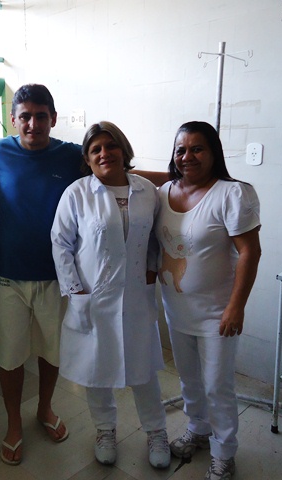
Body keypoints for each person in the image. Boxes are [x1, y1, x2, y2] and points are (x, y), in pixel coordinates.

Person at [51, 121, 171, 469]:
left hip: (136, 296)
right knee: (97, 368)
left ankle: (156, 431)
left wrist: (151, 271)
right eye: (96, 149)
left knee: (144, 370)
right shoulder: (77, 193)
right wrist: (75, 289)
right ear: (88, 159)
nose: (104, 153)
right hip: (94, 296)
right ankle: (105, 430)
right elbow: (60, 243)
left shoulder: (148, 191)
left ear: (123, 149)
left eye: (111, 145)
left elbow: (156, 238)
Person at [0, 84, 81, 465]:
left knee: (52, 351)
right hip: (10, 275)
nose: (33, 124)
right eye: (25, 117)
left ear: (53, 118)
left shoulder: (72, 155)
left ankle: (45, 409)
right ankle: (14, 423)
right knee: (9, 355)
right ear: (13, 119)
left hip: (57, 276)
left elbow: (113, 165)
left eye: (40, 116)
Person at [155, 121, 261, 479]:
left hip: (218, 314)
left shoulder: (232, 194)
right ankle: (198, 429)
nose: (188, 156)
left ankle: (224, 451)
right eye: (181, 150)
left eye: (197, 148)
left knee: (217, 385)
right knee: (188, 379)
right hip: (176, 310)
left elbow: (250, 252)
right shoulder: (164, 192)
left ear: (214, 152)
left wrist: (236, 306)